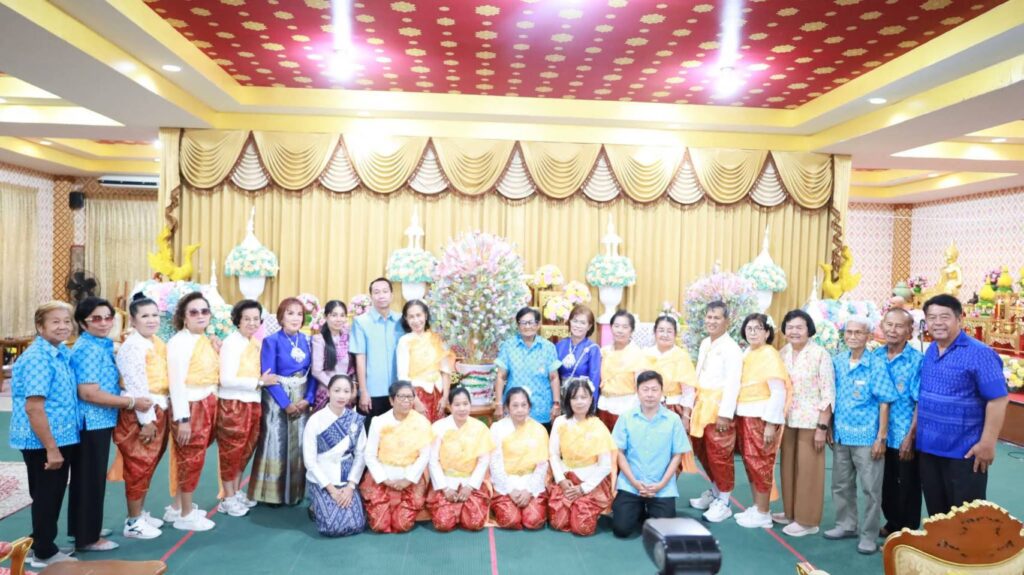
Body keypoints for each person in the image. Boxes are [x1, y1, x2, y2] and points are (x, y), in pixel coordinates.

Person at [917, 294, 1007, 515]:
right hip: (929, 449)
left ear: (959, 319)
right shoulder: (931, 350)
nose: (937, 322)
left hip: (964, 452)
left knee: (966, 518)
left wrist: (987, 443)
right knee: (937, 515)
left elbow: (998, 399)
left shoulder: (980, 353)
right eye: (932, 317)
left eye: (944, 317)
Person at [9, 302, 79, 568]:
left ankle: (41, 542)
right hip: (43, 440)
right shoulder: (39, 358)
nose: (63, 326)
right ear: (40, 327)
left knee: (49, 493)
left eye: (67, 321)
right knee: (47, 494)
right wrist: (51, 448)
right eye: (55, 322)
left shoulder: (58, 352)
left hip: (59, 435)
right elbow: (34, 407)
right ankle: (44, 554)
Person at [69, 297, 139, 552]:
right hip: (91, 421)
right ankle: (88, 538)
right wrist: (130, 402)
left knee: (86, 477)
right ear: (83, 323)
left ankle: (83, 529)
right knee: (90, 479)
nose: (104, 323)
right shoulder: (88, 349)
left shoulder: (100, 344)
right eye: (96, 318)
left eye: (108, 317)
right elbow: (89, 393)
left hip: (99, 420)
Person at [825, 316, 896, 555]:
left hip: (867, 437)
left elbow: (885, 402)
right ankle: (846, 525)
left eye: (858, 332)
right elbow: (831, 396)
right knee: (840, 484)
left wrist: (881, 438)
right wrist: (829, 426)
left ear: (868, 336)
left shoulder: (876, 364)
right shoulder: (837, 361)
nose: (853, 336)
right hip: (841, 435)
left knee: (871, 489)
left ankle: (869, 535)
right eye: (849, 332)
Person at [248, 297, 315, 506]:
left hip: (301, 398)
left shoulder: (307, 340)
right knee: (275, 443)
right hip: (277, 399)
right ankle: (272, 494)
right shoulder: (272, 341)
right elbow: (268, 377)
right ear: (281, 317)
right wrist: (286, 404)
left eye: (299, 314)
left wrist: (308, 399)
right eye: (290, 313)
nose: (295, 318)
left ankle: (294, 492)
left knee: (299, 444)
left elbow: (312, 373)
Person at [114, 294, 170, 540]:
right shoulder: (133, 346)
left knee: (149, 465)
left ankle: (140, 513)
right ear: (133, 321)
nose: (151, 320)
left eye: (155, 315)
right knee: (138, 465)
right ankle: (133, 522)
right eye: (145, 316)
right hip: (140, 413)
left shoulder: (155, 342)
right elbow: (136, 385)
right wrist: (146, 421)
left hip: (159, 407)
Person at [774, 309, 835, 537]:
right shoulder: (782, 353)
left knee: (809, 471)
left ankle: (808, 521)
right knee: (788, 468)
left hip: (811, 421)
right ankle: (791, 512)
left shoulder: (820, 355)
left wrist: (822, 427)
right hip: (788, 419)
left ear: (809, 330)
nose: (794, 331)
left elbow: (828, 392)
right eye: (790, 327)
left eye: (799, 327)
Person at [611, 370, 690, 538]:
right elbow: (619, 453)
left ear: (662, 392)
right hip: (631, 485)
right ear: (637, 391)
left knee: (664, 532)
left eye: (654, 389)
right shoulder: (626, 418)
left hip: (661, 487)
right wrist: (634, 482)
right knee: (621, 530)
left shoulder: (673, 420)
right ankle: (638, 508)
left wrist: (661, 484)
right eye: (645, 389)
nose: (650, 394)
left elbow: (677, 455)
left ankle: (649, 509)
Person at [165, 292, 219, 532]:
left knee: (190, 458)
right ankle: (186, 514)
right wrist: (183, 419)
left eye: (204, 311)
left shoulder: (203, 339)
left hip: (206, 401)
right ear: (184, 317)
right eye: (194, 312)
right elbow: (176, 383)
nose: (200, 316)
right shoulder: (179, 342)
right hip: (189, 406)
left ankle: (178, 506)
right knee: (190, 459)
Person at [685, 301, 742, 523]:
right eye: (709, 317)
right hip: (702, 406)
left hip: (718, 408)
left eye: (716, 317)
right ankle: (715, 491)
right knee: (703, 451)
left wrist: (725, 414)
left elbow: (733, 383)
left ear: (727, 321)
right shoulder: (705, 343)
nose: (711, 321)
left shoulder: (732, 348)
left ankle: (724, 501)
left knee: (720, 454)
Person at [733, 313, 790, 529]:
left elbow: (778, 391)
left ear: (767, 332)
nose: (753, 332)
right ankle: (757, 507)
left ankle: (764, 512)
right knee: (750, 463)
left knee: (761, 463)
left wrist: (770, 424)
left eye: (758, 328)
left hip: (761, 416)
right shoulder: (748, 352)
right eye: (749, 328)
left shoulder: (769, 355)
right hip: (746, 413)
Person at [216, 299, 271, 517]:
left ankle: (235, 491)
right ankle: (227, 498)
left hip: (252, 403)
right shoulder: (231, 343)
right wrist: (259, 382)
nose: (251, 322)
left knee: (245, 451)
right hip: (233, 405)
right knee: (231, 452)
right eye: (246, 318)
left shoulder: (254, 342)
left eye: (256, 319)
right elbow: (226, 380)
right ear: (237, 320)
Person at [360, 380, 433, 533]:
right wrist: (384, 479)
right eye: (401, 397)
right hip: (383, 476)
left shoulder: (421, 423)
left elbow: (424, 455)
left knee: (402, 524)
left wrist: (408, 479)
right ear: (391, 400)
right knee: (379, 525)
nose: (406, 401)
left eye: (410, 397)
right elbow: (370, 455)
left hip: (410, 476)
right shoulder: (379, 422)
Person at [876, 307, 924, 536]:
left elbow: (920, 402)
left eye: (899, 326)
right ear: (882, 326)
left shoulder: (917, 360)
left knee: (907, 484)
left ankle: (908, 531)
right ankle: (892, 523)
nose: (893, 330)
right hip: (877, 433)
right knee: (884, 482)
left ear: (909, 331)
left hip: (904, 432)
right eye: (889, 325)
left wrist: (911, 436)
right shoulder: (875, 356)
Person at [548, 377, 616, 536]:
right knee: (558, 522)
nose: (579, 402)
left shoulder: (598, 425)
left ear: (591, 399)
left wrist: (583, 488)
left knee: (582, 527)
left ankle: (586, 506)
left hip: (590, 479)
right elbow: (553, 454)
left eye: (583, 397)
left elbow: (605, 465)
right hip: (566, 478)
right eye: (574, 397)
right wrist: (561, 480)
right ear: (568, 400)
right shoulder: (560, 422)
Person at [303, 375, 367, 537]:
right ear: (328, 392)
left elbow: (361, 455)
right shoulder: (315, 420)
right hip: (322, 479)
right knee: (332, 527)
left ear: (352, 394)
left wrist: (350, 486)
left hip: (346, 478)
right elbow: (309, 461)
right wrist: (331, 490)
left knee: (357, 524)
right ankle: (314, 506)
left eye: (346, 391)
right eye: (337, 390)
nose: (341, 395)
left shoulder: (355, 420)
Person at [426, 386, 494, 532]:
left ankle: (462, 510)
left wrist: (470, 487)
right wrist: (445, 488)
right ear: (449, 406)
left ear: (470, 405)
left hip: (471, 482)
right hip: (445, 481)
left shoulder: (480, 428)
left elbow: (483, 461)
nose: (462, 408)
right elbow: (433, 460)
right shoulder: (438, 427)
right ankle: (455, 510)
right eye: (457, 404)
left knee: (474, 523)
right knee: (443, 524)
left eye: (465, 404)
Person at [489, 387, 551, 530]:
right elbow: (495, 463)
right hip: (505, 482)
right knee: (510, 520)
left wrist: (529, 490)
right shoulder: (497, 428)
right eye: (515, 405)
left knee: (534, 521)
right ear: (507, 408)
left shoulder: (539, 430)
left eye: (524, 405)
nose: (520, 410)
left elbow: (542, 465)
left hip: (531, 481)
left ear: (529, 407)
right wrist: (510, 489)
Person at [351, 278, 406, 428]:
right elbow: (360, 358)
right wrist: (363, 391)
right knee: (369, 435)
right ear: (371, 296)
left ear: (392, 295)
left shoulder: (402, 320)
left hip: (398, 391)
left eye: (385, 291)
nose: (381, 295)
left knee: (396, 434)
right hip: (372, 392)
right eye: (376, 292)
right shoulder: (361, 322)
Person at [493, 307, 561, 427]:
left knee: (541, 438)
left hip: (541, 407)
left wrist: (556, 403)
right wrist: (499, 403)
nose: (527, 326)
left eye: (531, 322)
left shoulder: (548, 347)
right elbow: (501, 377)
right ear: (518, 325)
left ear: (538, 324)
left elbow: (554, 378)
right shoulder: (508, 346)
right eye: (523, 322)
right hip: (514, 408)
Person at [396, 300, 453, 422]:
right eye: (411, 317)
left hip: (438, 393)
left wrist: (445, 397)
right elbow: (403, 376)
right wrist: (415, 401)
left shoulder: (437, 337)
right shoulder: (404, 341)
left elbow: (445, 370)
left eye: (419, 315)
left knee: (438, 429)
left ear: (425, 316)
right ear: (406, 319)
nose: (416, 320)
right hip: (417, 394)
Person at [598, 309, 644, 430]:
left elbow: (640, 384)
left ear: (632, 330)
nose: (620, 330)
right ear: (611, 327)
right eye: (616, 326)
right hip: (604, 404)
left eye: (625, 327)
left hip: (626, 405)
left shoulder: (637, 354)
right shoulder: (604, 351)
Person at [644, 315, 697, 415]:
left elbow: (688, 391)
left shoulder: (681, 356)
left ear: (675, 334)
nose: (665, 335)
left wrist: (686, 416)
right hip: (648, 408)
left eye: (669, 331)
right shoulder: (645, 354)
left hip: (673, 408)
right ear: (655, 332)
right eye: (661, 330)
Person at [311, 300, 352, 411]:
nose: (338, 319)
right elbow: (316, 371)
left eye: (342, 315)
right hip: (327, 393)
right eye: (334, 315)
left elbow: (353, 368)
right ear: (326, 317)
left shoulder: (348, 338)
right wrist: (336, 388)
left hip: (345, 394)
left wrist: (350, 387)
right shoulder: (319, 340)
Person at [555, 305, 602, 403]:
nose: (577, 325)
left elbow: (594, 380)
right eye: (575, 321)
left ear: (589, 326)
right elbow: (554, 375)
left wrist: (592, 405)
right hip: (562, 397)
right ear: (570, 322)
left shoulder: (593, 349)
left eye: (582, 323)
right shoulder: (560, 345)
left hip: (582, 399)